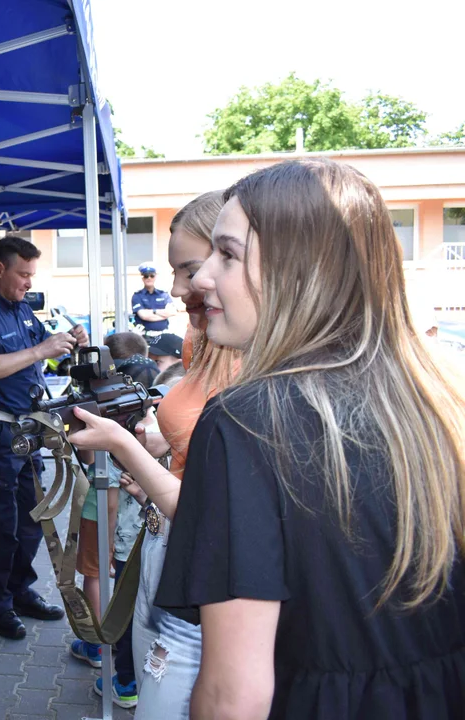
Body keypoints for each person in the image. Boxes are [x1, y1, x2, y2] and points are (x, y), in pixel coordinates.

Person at [80, 160, 465, 719]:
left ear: (299, 271)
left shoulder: (245, 420)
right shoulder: (438, 396)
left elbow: (234, 696)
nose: (202, 279)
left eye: (227, 255)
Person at [69, 190, 240, 720]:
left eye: (189, 270)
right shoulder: (202, 336)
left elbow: (214, 512)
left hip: (204, 572)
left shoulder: (253, 356)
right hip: (164, 543)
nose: (175, 288)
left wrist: (124, 447)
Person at [0, 235, 88, 639]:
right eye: (23, 274)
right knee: (2, 523)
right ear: (0, 269)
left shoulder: (23, 312)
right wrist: (40, 350)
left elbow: (39, 356)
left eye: (32, 274)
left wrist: (68, 347)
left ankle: (20, 591)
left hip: (29, 427)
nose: (30, 282)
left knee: (34, 518)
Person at [69, 331, 158, 707]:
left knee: (112, 595)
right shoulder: (148, 415)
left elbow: (97, 480)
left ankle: (107, 659)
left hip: (118, 529)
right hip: (141, 530)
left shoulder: (117, 428)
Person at [131, 262, 175, 336]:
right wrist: (164, 314)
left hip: (163, 335)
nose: (149, 278)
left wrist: (153, 312)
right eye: (146, 276)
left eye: (152, 275)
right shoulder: (137, 296)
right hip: (145, 336)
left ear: (155, 277)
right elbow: (143, 315)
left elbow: (172, 312)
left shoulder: (163, 294)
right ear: (142, 278)